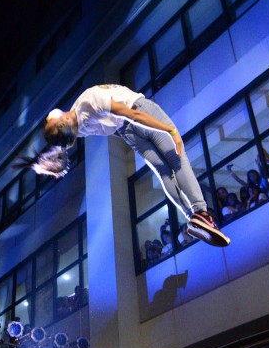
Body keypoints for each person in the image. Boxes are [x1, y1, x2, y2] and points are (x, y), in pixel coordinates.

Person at [21, 84, 230, 247]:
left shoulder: (77, 131)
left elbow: (60, 128)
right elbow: (134, 115)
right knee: (177, 159)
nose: (50, 115)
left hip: (127, 134)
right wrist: (170, 131)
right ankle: (201, 212)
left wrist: (49, 151)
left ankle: (190, 216)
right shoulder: (89, 99)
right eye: (52, 118)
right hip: (140, 112)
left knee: (163, 172)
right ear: (63, 118)